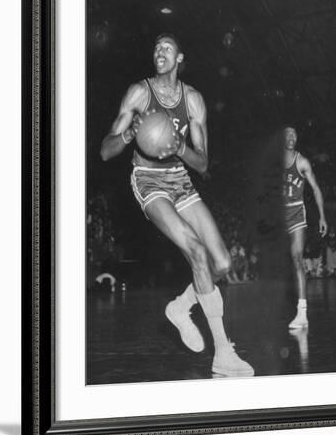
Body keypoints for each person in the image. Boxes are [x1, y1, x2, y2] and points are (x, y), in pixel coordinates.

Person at [100, 33, 253, 377]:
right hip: (148, 181)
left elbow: (202, 165)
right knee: (197, 252)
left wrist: (178, 146)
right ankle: (223, 353)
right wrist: (127, 136)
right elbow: (105, 151)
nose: (160, 51)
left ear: (180, 57)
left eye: (167, 47)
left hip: (180, 180)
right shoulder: (139, 92)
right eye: (155, 46)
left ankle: (181, 307)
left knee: (224, 262)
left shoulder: (194, 100)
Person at [282, 127, 328, 328]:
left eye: (294, 134)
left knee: (297, 258)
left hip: (295, 214)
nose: (291, 137)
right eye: (287, 134)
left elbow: (316, 188)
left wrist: (322, 217)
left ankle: (302, 315)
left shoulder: (301, 161)